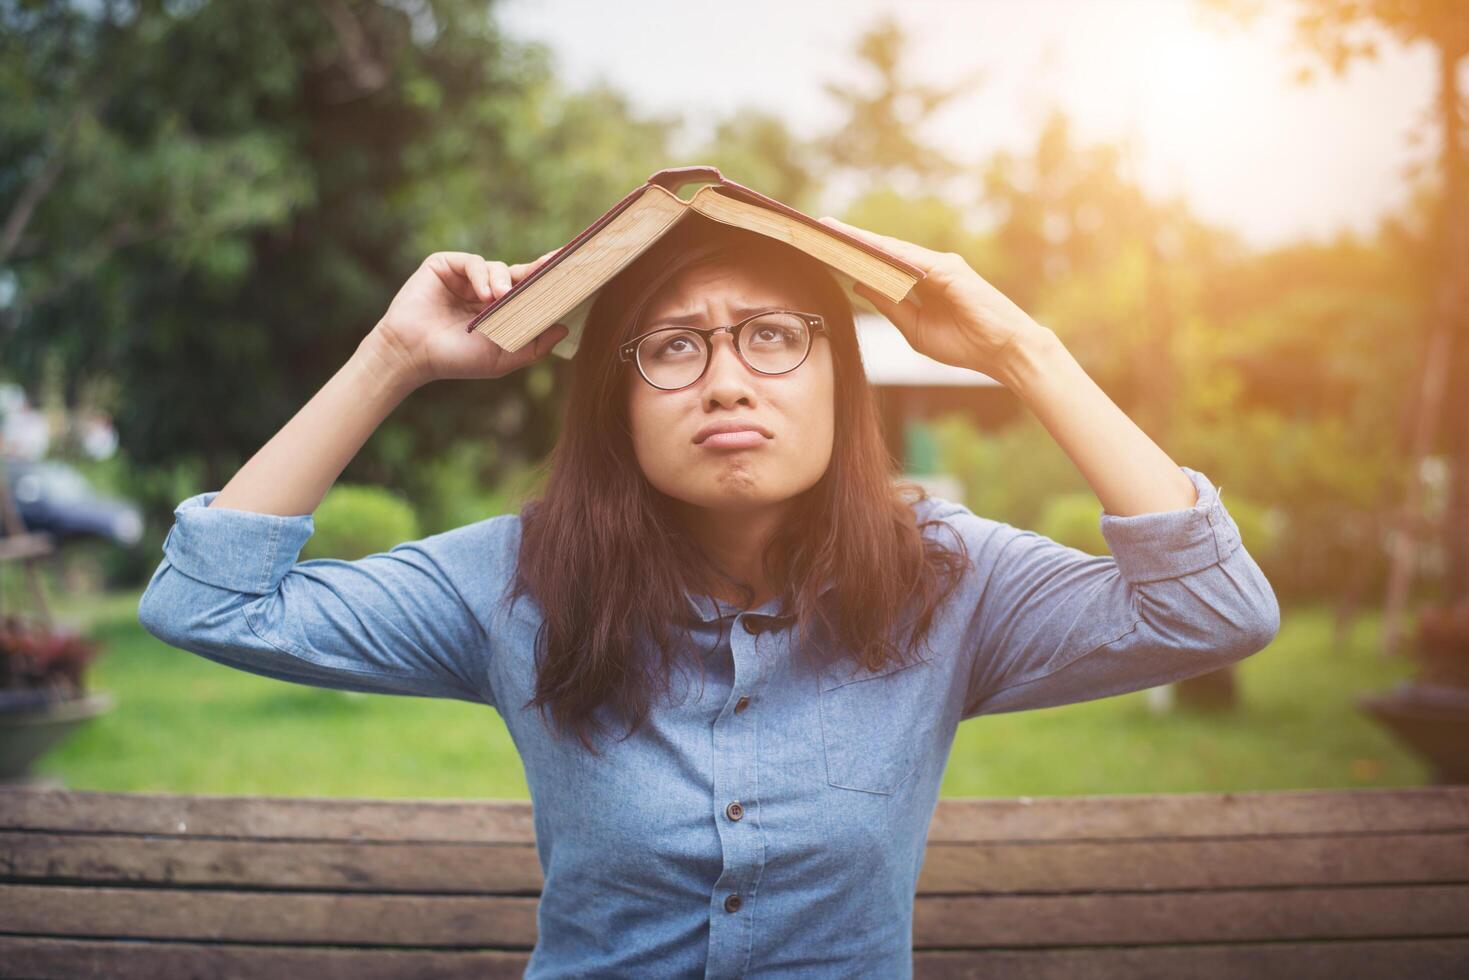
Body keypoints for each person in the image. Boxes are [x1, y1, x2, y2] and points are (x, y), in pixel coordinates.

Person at [138, 212, 1280, 979]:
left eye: (775, 337)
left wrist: (1020, 348)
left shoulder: (945, 574)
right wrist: (394, 353)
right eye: (673, 347)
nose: (726, 378)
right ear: (614, 403)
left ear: (840, 376)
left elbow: (1215, 609)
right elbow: (207, 602)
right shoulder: (514, 578)